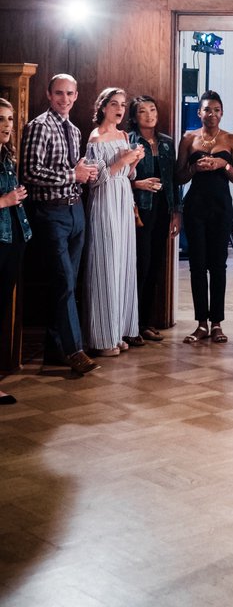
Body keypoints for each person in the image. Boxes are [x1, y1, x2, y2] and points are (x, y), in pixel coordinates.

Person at [20, 74, 99, 375]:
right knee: (64, 281)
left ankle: (55, 350)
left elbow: (74, 170)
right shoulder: (39, 126)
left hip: (75, 211)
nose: (64, 99)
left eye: (69, 94)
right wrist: (71, 176)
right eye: (58, 94)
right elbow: (30, 172)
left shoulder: (74, 130)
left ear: (77, 95)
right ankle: (74, 350)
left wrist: (85, 175)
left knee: (66, 284)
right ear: (48, 94)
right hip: (50, 213)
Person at [176, 90, 233, 344]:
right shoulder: (188, 140)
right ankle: (201, 324)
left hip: (221, 207)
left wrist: (222, 166)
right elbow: (178, 176)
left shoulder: (231, 140)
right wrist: (194, 167)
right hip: (195, 207)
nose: (211, 114)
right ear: (199, 113)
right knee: (197, 266)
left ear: (222, 112)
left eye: (216, 110)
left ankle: (217, 323)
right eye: (207, 110)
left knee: (218, 266)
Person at [83, 88, 143, 356]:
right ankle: (101, 337)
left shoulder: (123, 135)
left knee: (122, 263)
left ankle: (117, 331)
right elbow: (94, 180)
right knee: (105, 264)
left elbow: (128, 175)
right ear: (103, 106)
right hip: (104, 202)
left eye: (123, 105)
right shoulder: (95, 137)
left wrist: (133, 163)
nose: (119, 109)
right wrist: (121, 162)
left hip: (122, 200)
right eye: (114, 104)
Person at [129, 95, 181, 342]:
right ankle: (132, 325)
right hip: (139, 211)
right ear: (134, 116)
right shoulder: (129, 140)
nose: (149, 115)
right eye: (142, 111)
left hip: (163, 210)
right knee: (140, 264)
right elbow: (118, 177)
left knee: (156, 266)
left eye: (152, 110)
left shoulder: (167, 143)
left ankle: (146, 322)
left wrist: (176, 212)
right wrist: (138, 184)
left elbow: (174, 181)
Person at [0, 98, 31, 405]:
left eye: (9, 119)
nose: (7, 125)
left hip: (14, 238)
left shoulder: (7, 157)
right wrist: (5, 200)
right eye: (0, 119)